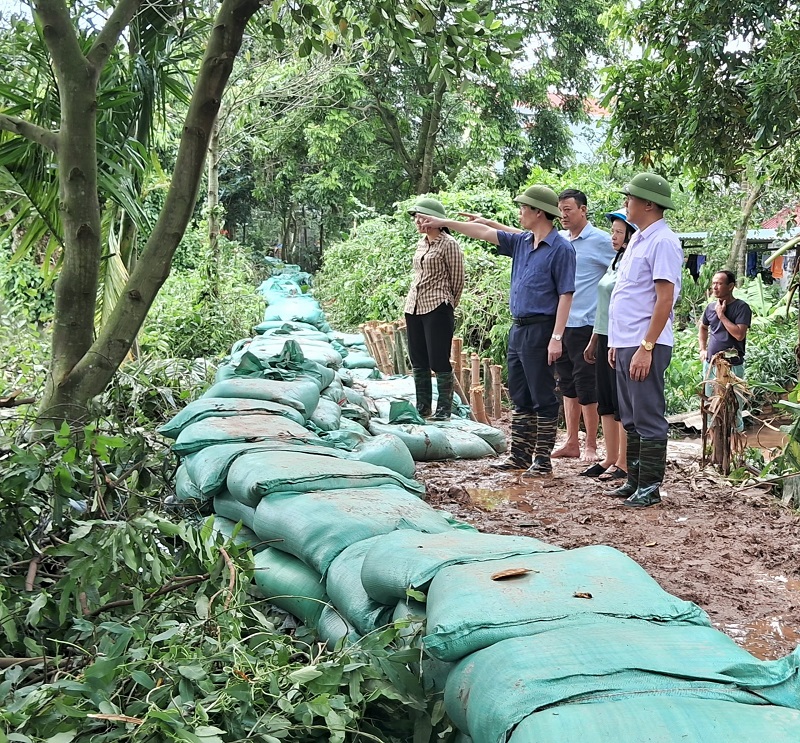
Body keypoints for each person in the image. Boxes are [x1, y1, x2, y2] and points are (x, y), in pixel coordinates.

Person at [418, 186, 575, 478]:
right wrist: (450, 223)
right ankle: (519, 455)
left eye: (523, 208)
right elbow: (483, 233)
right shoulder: (523, 242)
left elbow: (566, 294)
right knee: (519, 391)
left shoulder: (561, 249)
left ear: (538, 212)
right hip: (519, 328)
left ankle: (542, 459)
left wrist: (557, 337)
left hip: (542, 328)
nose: (520, 213)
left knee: (542, 393)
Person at [607, 173, 683, 508]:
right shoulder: (638, 239)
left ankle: (650, 488)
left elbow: (664, 300)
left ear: (648, 204)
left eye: (631, 199)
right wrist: (615, 341)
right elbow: (628, 294)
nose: (627, 203)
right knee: (631, 415)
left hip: (645, 343)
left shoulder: (663, 241)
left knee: (648, 413)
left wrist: (646, 346)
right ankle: (635, 479)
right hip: (626, 342)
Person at [551, 189, 616, 462]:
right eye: (560, 210)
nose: (563, 215)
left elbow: (617, 275)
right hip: (562, 324)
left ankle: (591, 444)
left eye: (568, 209)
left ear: (583, 210)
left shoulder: (602, 241)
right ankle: (570, 441)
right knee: (566, 383)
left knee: (587, 385)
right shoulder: (561, 241)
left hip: (588, 325)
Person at [581, 210, 637, 481]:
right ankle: (609, 457)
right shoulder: (615, 262)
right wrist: (594, 338)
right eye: (612, 231)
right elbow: (604, 306)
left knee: (619, 402)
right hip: (603, 335)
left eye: (618, 232)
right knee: (604, 398)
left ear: (630, 234)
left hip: (621, 339)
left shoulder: (631, 263)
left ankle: (624, 462)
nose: (613, 237)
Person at [405, 197, 465, 421]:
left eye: (423, 217)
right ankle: (422, 407)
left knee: (439, 359)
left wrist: (447, 304)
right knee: (418, 358)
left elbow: (458, 279)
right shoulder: (422, 243)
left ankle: (443, 410)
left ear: (437, 220)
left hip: (437, 307)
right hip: (414, 306)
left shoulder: (449, 243)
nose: (419, 221)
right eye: (416, 218)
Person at [698, 270, 752, 431]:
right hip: (711, 367)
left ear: (730, 286)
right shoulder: (709, 308)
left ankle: (735, 446)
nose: (715, 287)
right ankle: (714, 447)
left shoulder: (741, 308)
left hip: (732, 367)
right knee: (711, 405)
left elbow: (739, 334)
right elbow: (703, 327)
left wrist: (721, 316)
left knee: (734, 405)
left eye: (719, 283)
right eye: (714, 283)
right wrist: (702, 349)